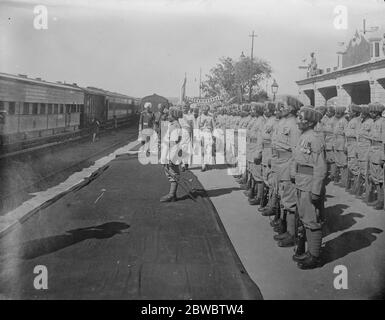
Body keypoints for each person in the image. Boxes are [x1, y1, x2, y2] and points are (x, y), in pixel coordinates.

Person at [291, 105, 326, 269]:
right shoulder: (303, 136)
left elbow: (320, 168)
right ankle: (310, 252)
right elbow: (297, 159)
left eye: (302, 119)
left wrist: (316, 190)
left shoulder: (315, 139)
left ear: (310, 122)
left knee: (312, 220)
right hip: (301, 181)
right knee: (305, 218)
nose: (299, 121)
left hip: (310, 184)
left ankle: (315, 256)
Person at [271, 101, 301, 248]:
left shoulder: (294, 125)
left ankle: (292, 234)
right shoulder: (282, 122)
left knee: (289, 200)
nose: (279, 109)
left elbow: (295, 149)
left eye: (283, 107)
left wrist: (293, 169)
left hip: (287, 163)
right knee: (283, 197)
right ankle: (287, 229)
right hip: (279, 162)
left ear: (291, 109)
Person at [160, 107, 182, 202]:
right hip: (168, 152)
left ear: (174, 116)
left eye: (169, 115)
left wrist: (170, 158)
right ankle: (173, 194)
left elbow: (174, 143)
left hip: (172, 154)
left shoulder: (175, 126)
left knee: (173, 173)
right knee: (169, 172)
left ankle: (172, 195)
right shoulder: (172, 124)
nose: (167, 116)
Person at [367, 102, 385, 209]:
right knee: (375, 177)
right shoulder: (374, 122)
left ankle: (381, 201)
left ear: (377, 112)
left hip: (379, 152)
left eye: (372, 112)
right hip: (373, 151)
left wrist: (383, 157)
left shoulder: (383, 122)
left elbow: (384, 141)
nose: (370, 113)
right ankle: (379, 199)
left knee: (380, 179)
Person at [353, 105, 373, 198]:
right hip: (360, 150)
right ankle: (364, 191)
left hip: (366, 150)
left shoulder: (371, 122)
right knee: (361, 171)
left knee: (366, 172)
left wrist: (364, 134)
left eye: (362, 113)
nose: (361, 115)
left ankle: (369, 194)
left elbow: (372, 137)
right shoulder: (362, 122)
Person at [345, 104, 362, 193]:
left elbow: (358, 136)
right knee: (351, 165)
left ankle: (357, 188)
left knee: (354, 166)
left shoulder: (357, 121)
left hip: (354, 145)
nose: (348, 112)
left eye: (350, 111)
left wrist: (357, 149)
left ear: (355, 112)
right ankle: (355, 187)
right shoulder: (352, 120)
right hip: (349, 145)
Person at [332, 106, 348, 186]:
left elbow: (346, 135)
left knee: (343, 163)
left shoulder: (344, 121)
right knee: (338, 162)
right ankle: (340, 180)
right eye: (336, 112)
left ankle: (344, 181)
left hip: (342, 142)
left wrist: (345, 145)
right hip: (336, 142)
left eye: (338, 112)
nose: (336, 114)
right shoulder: (337, 121)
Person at [199, 104, 215, 171]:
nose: (204, 111)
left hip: (209, 133)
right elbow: (198, 126)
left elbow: (214, 127)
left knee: (208, 150)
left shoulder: (210, 117)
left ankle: (206, 162)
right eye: (203, 110)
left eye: (206, 110)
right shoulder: (200, 117)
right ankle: (203, 165)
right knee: (203, 150)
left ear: (208, 110)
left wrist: (213, 135)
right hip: (202, 133)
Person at [178, 104, 193, 171]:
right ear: (182, 108)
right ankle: (183, 164)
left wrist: (192, 135)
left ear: (188, 108)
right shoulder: (179, 116)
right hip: (181, 133)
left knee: (187, 149)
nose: (185, 109)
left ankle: (186, 163)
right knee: (182, 149)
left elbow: (192, 126)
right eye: (183, 107)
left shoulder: (191, 116)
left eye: (186, 107)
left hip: (188, 133)